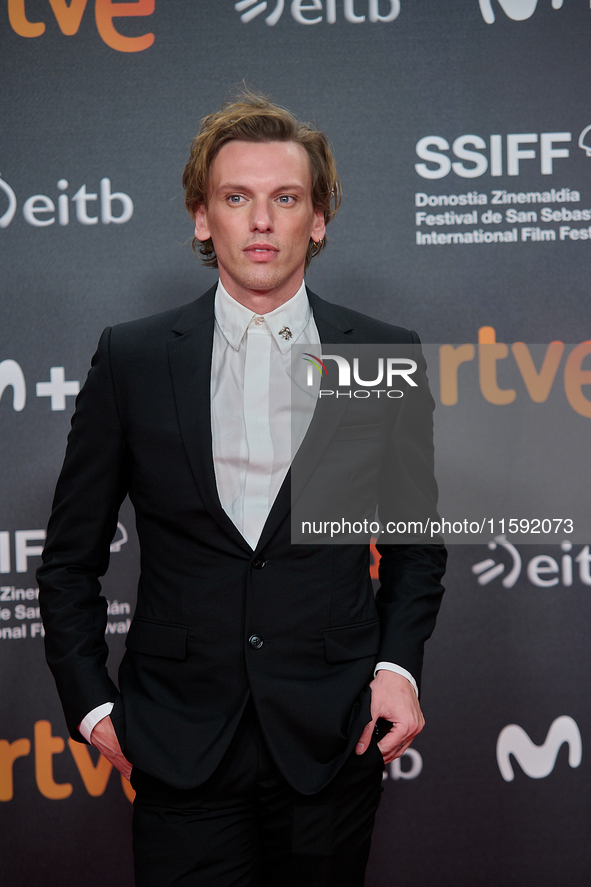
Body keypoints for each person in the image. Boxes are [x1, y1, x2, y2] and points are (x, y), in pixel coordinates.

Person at [38, 92, 446, 887]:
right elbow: (67, 560)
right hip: (177, 739)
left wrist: (397, 668)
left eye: (285, 198)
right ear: (202, 218)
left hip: (332, 739)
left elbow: (413, 547)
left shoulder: (380, 353)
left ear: (317, 219)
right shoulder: (133, 357)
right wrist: (91, 705)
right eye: (236, 198)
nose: (261, 220)